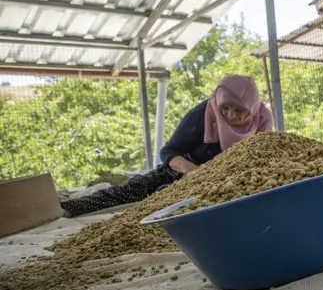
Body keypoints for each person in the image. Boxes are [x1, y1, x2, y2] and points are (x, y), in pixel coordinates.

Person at [60, 74, 273, 218]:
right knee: (136, 191)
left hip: (232, 183)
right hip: (182, 175)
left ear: (251, 109)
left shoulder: (262, 120)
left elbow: (264, 154)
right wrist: (192, 171)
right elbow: (168, 151)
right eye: (225, 108)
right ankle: (66, 208)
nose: (230, 115)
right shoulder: (202, 115)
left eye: (239, 111)